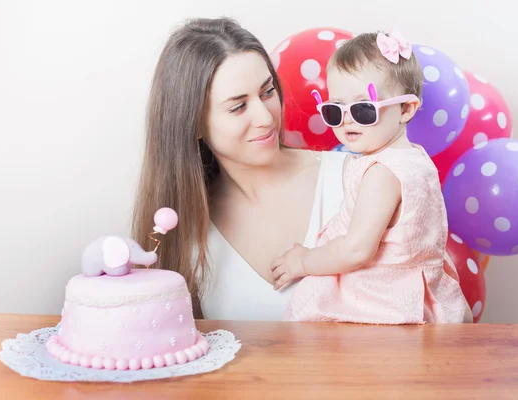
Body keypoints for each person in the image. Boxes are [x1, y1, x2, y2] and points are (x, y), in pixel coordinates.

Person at [131, 17, 347, 320]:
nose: (265, 117)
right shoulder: (183, 228)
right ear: (192, 125)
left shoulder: (353, 178)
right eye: (238, 106)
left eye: (268, 92)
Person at [269, 28, 471, 324]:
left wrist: (303, 260)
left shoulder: (382, 174)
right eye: (335, 110)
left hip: (380, 303)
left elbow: (356, 249)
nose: (347, 118)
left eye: (363, 109)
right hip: (415, 292)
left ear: (405, 108)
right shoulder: (417, 159)